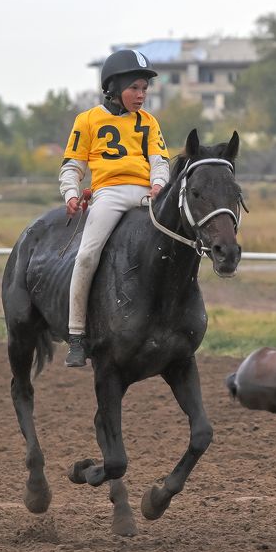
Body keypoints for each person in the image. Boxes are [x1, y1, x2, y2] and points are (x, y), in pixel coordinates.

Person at [59, 49, 170, 367]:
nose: (141, 95)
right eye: (135, 87)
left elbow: (159, 161)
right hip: (108, 194)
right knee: (86, 256)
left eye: (144, 89)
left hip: (147, 193)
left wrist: (160, 184)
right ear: (114, 87)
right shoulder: (88, 120)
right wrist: (70, 193)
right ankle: (77, 336)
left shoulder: (149, 122)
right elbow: (73, 166)